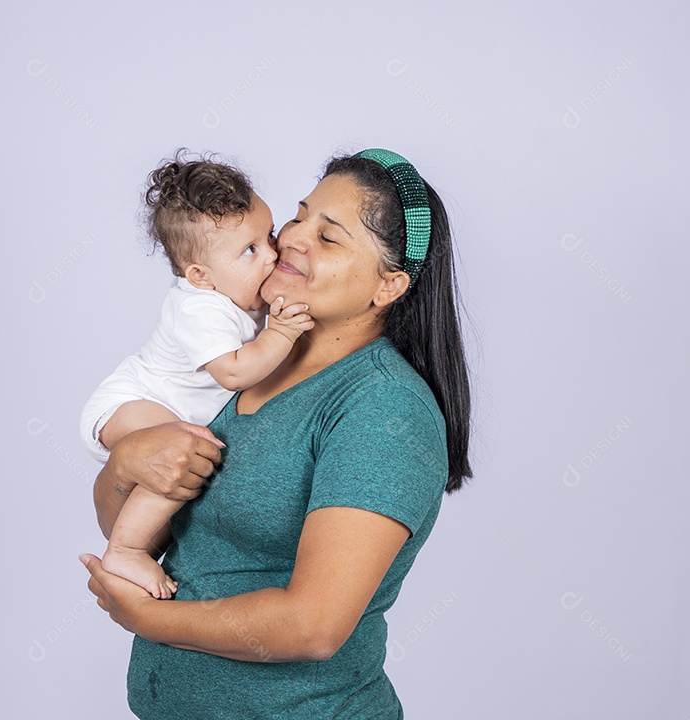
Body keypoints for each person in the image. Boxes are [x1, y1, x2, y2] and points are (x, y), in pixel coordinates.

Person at [81, 148, 473, 719]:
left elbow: (311, 626)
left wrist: (146, 618)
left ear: (387, 286)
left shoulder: (381, 409)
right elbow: (141, 528)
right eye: (299, 214)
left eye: (329, 236)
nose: (291, 239)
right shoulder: (242, 363)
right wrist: (126, 462)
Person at [79, 151, 313, 599]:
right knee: (181, 452)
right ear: (200, 275)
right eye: (250, 250)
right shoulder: (199, 306)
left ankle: (131, 543)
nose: (271, 255)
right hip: (133, 399)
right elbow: (234, 372)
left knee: (186, 456)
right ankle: (126, 549)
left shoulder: (233, 293)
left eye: (267, 236)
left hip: (161, 401)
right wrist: (281, 333)